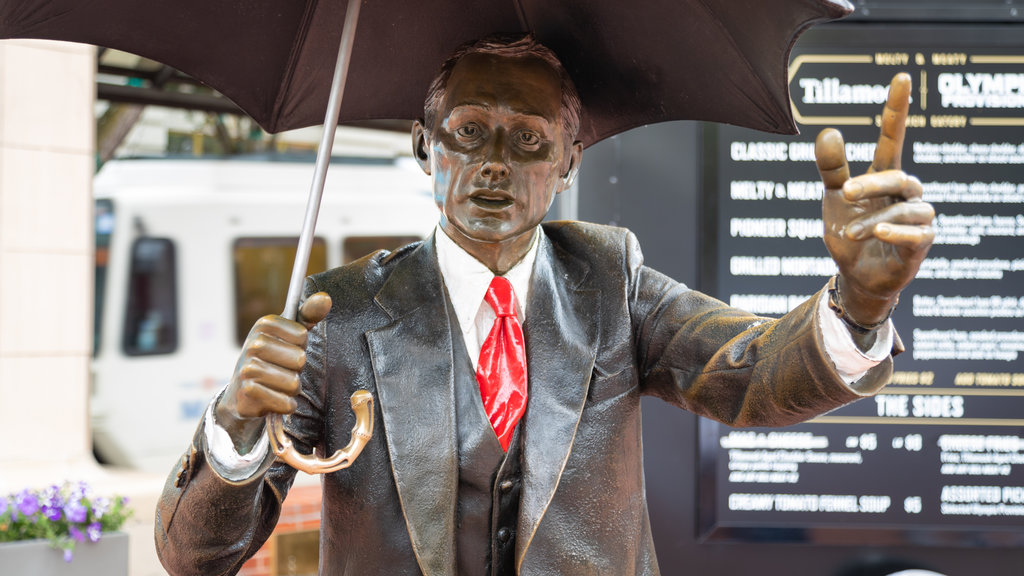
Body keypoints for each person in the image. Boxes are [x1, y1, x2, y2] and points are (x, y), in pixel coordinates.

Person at [155, 35, 934, 576]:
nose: (494, 163)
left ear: (569, 162)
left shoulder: (610, 279)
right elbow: (198, 557)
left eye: (528, 139)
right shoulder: (341, 314)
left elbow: (753, 373)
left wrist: (858, 302)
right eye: (467, 132)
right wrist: (234, 425)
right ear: (424, 145)